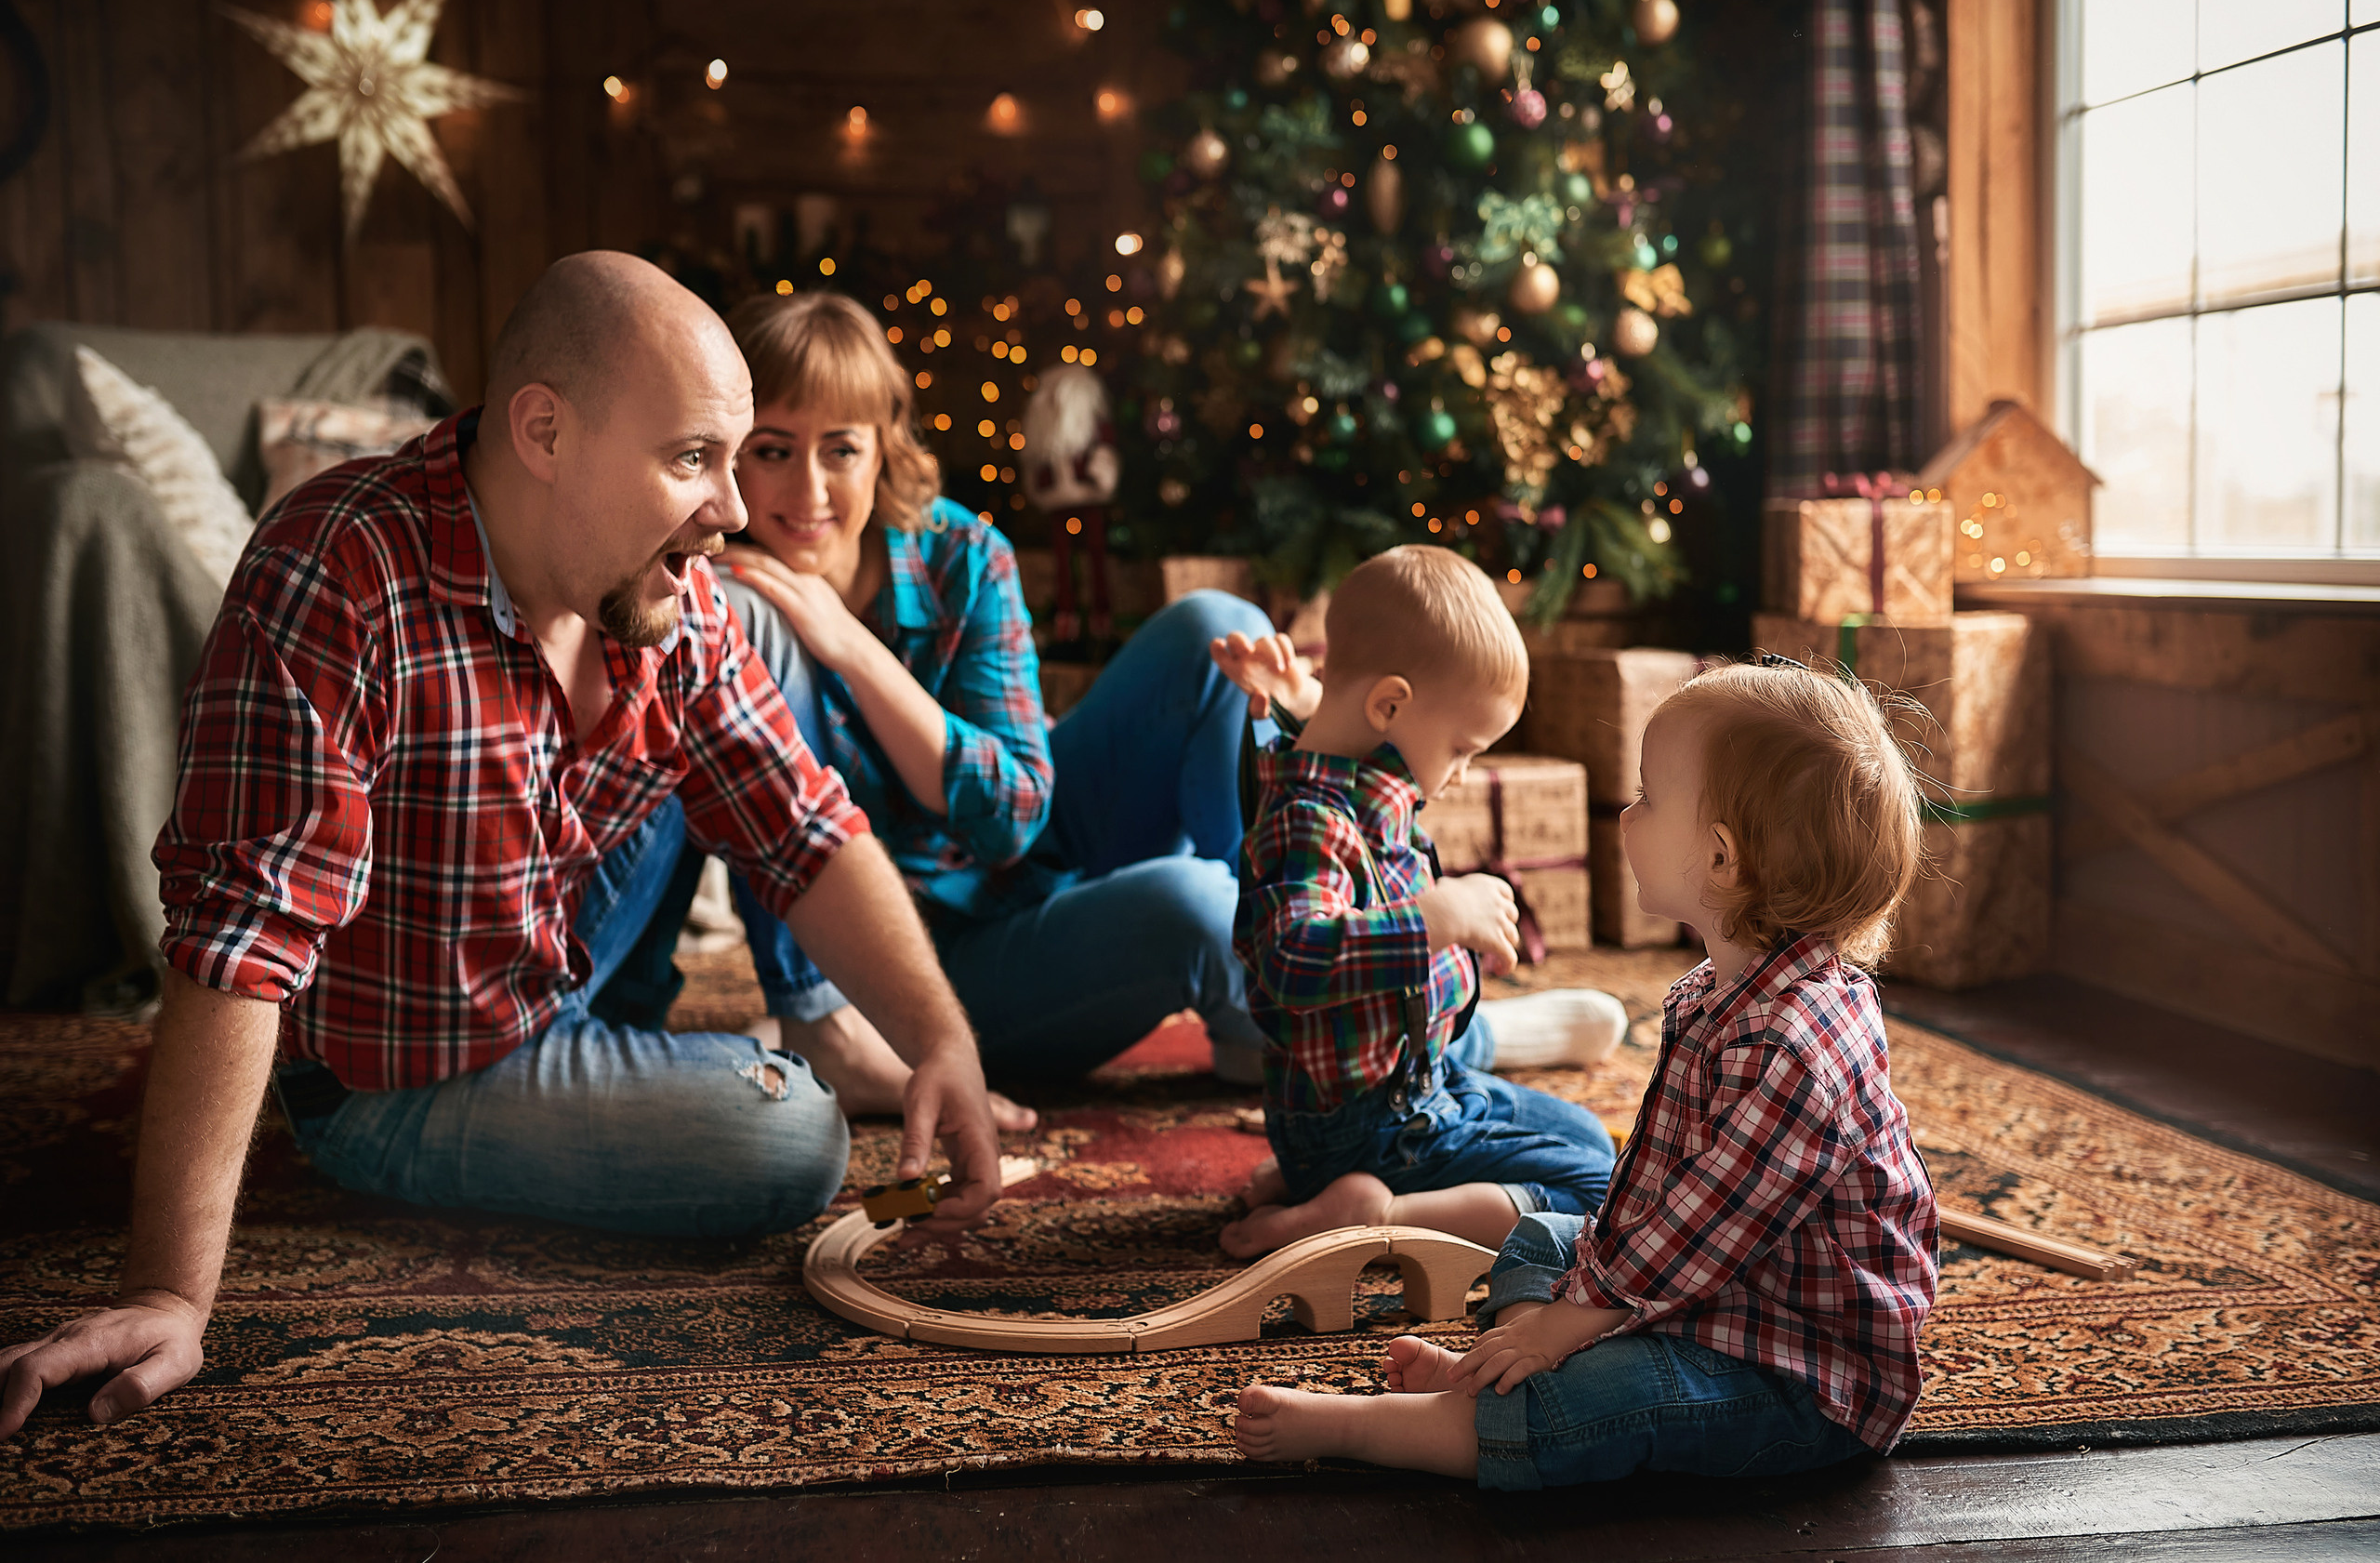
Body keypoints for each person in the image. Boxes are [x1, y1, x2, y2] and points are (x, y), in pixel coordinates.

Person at [0, 253, 1003, 1441]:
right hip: (403, 1065)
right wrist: (170, 1289)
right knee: (789, 1132)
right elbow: (241, 934)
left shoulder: (661, 583)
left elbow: (800, 826)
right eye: (694, 458)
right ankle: (617, 1078)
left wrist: (940, 1039)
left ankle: (642, 1049)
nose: (734, 508)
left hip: (553, 936)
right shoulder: (340, 569)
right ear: (543, 430)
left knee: (759, 644)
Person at [1232, 656, 1940, 1488]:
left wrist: (1567, 1324)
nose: (1626, 812)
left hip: (1799, 1376)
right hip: (1723, 1297)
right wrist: (1570, 1308)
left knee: (1598, 1396)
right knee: (1541, 1234)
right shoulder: (1726, 989)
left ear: (1720, 860)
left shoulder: (1795, 1051)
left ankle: (1422, 1420)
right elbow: (1652, 1191)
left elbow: (1690, 1235)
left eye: (1647, 795)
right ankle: (1502, 1380)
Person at [605, 289, 1287, 1091]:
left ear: (883, 447)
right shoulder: (706, 596)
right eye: (773, 450)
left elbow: (1014, 820)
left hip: (1034, 864)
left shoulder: (960, 551)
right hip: (921, 967)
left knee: (1213, 629)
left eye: (842, 450)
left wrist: (851, 645)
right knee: (1199, 906)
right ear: (728, 453)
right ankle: (829, 1027)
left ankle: (1290, 1006)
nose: (810, 492)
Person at [1219, 546, 1619, 1261]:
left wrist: (1299, 701)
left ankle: (1322, 1179)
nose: (1462, 775)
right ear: (1390, 705)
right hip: (1374, 1123)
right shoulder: (1308, 819)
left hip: (1416, 1087)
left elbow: (1315, 742)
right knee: (1598, 1190)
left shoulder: (1345, 776)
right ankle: (1371, 1208)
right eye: (1462, 748)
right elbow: (1289, 958)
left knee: (1589, 1135)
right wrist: (1435, 919)